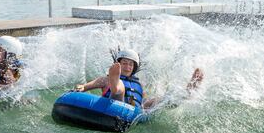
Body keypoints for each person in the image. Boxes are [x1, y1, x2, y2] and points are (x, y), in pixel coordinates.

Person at [74, 49, 203, 109]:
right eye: (124, 63)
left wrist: (151, 103)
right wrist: (83, 87)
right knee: (119, 89)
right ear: (118, 63)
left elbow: (142, 100)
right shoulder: (105, 79)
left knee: (160, 100)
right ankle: (116, 83)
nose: (128, 66)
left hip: (134, 111)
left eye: (131, 64)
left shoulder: (138, 84)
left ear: (134, 67)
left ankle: (188, 90)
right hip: (113, 104)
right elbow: (88, 86)